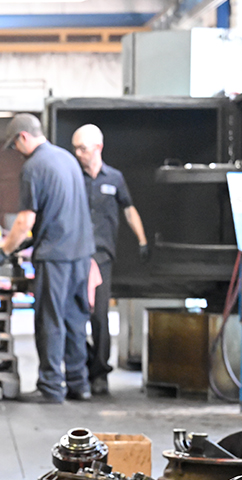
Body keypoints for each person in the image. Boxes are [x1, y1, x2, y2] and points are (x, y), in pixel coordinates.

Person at [0, 113, 96, 404]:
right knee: (74, 320)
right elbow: (63, 210)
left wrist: (4, 250)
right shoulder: (67, 159)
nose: (16, 152)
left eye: (14, 146)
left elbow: (25, 219)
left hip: (56, 257)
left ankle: (50, 387)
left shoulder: (34, 167)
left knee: (50, 320)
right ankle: (79, 384)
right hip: (81, 253)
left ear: (23, 137)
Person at [71, 124, 149, 395]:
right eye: (76, 148)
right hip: (76, 257)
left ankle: (100, 373)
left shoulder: (114, 178)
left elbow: (129, 210)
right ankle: (81, 367)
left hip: (102, 259)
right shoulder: (73, 177)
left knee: (100, 317)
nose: (78, 153)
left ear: (98, 148)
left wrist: (142, 240)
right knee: (75, 316)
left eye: (82, 148)